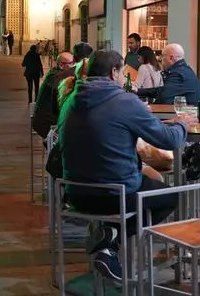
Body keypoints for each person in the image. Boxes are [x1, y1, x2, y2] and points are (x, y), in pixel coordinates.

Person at [58, 50, 188, 280]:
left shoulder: (70, 100)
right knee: (170, 197)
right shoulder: (124, 101)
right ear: (113, 72)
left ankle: (109, 235)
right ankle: (111, 243)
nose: (123, 78)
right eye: (122, 73)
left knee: (148, 182)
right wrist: (182, 124)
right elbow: (170, 140)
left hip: (75, 193)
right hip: (114, 194)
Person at [136, 43, 200, 105]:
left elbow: (164, 98)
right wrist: (138, 91)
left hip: (185, 115)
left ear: (171, 58)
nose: (160, 59)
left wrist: (144, 108)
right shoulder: (185, 70)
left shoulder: (178, 74)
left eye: (162, 56)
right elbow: (162, 90)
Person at [32, 52, 73, 139]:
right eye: (72, 63)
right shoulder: (56, 78)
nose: (74, 66)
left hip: (48, 121)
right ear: (61, 65)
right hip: (47, 126)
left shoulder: (55, 74)